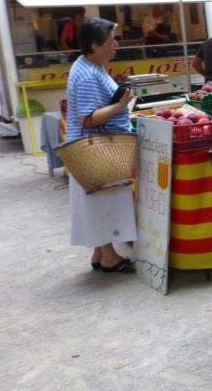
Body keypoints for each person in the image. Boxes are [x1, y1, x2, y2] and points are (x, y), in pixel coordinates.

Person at [66, 18, 137, 273]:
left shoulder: (89, 65)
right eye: (110, 42)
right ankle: (108, 256)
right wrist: (119, 106)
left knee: (96, 202)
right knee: (103, 202)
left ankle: (99, 252)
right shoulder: (86, 74)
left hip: (90, 147)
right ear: (94, 46)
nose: (115, 45)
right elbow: (87, 118)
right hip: (95, 149)